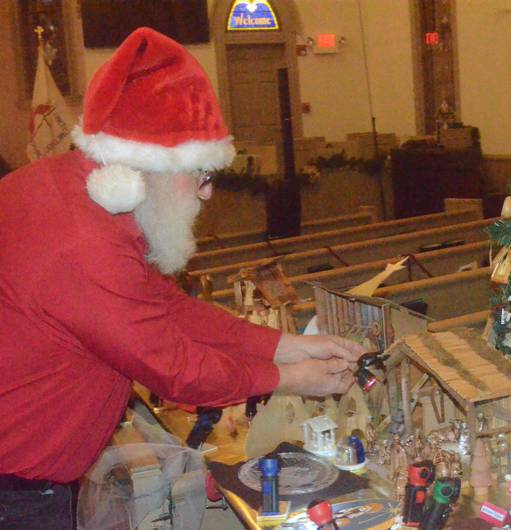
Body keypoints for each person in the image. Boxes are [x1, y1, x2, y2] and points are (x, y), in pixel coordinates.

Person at [0, 27, 364, 528]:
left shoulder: (73, 189)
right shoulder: (84, 241)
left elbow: (166, 307)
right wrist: (292, 379)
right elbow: (174, 368)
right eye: (203, 175)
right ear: (154, 164)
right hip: (14, 492)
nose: (208, 194)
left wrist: (284, 346)